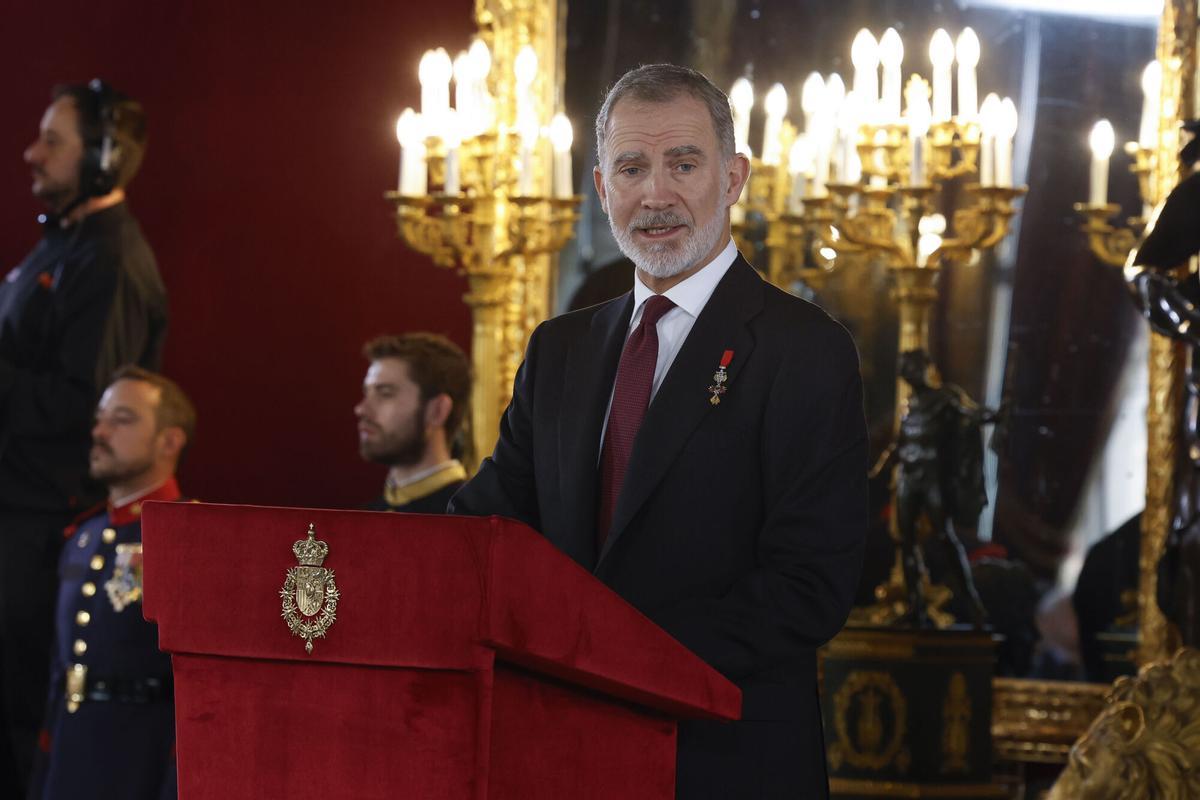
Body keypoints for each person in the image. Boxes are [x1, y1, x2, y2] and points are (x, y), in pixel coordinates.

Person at [450, 64, 868, 798]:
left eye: (683, 163)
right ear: (602, 187)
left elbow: (810, 585)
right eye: (632, 168)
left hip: (724, 761)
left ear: (734, 177)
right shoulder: (560, 349)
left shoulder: (805, 350)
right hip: (559, 756)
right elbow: (487, 528)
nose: (656, 194)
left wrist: (609, 653)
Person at [0, 80, 167, 794]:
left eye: (54, 140)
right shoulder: (62, 247)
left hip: (40, 532)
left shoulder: (111, 265)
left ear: (102, 159)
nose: (32, 153)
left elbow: (83, 411)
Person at [29, 366, 195, 800]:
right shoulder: (83, 537)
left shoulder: (191, 539)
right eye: (100, 419)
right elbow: (59, 669)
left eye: (122, 420)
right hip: (70, 753)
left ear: (169, 441)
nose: (100, 432)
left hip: (138, 761)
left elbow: (196, 684)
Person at [355, 333, 471, 513]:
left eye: (385, 393)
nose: (361, 409)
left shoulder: (471, 519)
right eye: (367, 393)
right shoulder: (364, 517)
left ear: (437, 410)